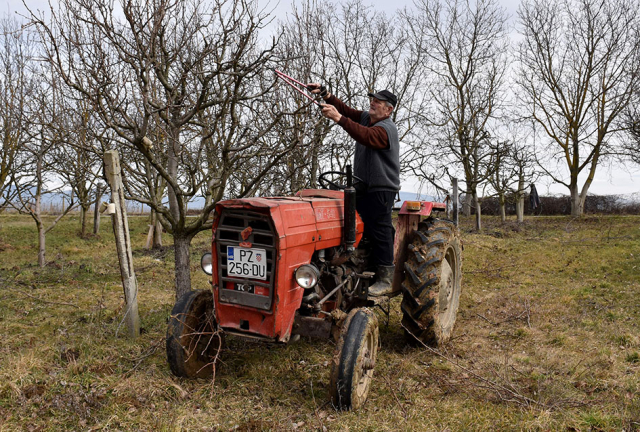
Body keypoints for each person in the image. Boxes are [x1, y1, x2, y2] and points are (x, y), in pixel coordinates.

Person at [307, 83, 400, 297]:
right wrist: (326, 94)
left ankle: (385, 277)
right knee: (346, 221)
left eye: (378, 102)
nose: (372, 103)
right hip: (362, 186)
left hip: (381, 188)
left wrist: (338, 119)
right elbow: (347, 111)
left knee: (379, 228)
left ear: (389, 110)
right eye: (372, 100)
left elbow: (365, 135)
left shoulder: (386, 129)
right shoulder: (368, 118)